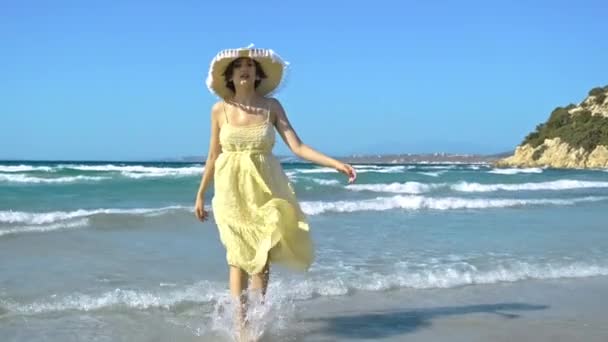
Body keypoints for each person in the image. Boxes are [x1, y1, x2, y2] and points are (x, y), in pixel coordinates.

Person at [194, 45, 356, 338]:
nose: (246, 68)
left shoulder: (272, 107)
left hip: (265, 187)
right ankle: (242, 327)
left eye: (251, 65)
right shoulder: (219, 109)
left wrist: (335, 164)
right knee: (237, 256)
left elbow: (298, 146)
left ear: (257, 74)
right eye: (239, 65)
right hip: (230, 190)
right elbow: (213, 156)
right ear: (230, 75)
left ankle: (258, 317)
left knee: (262, 254)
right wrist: (201, 194)